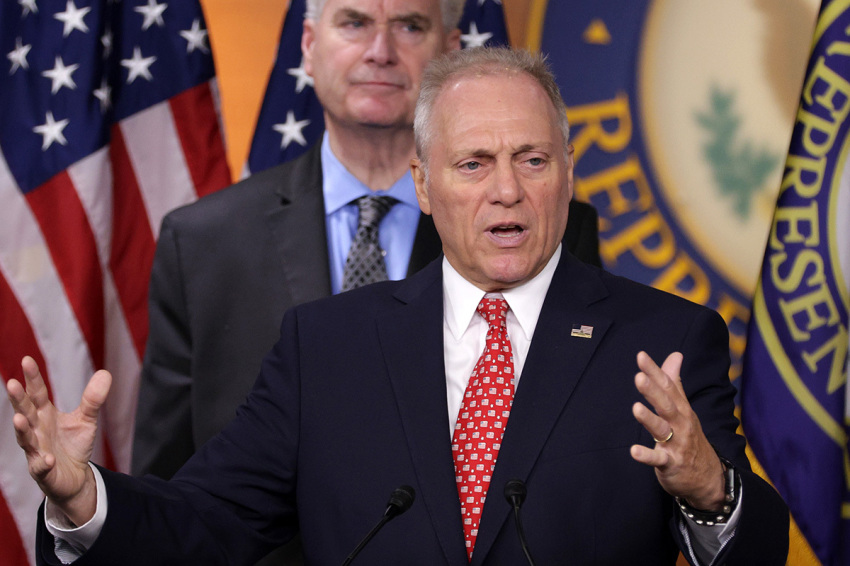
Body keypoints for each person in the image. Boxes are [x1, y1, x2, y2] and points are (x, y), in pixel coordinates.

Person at [7, 47, 787, 565]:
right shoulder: (328, 347)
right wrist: (84, 498)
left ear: (568, 173)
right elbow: (208, 521)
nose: (506, 190)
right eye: (473, 163)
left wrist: (713, 492)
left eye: (532, 160)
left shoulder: (664, 340)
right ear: (423, 183)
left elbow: (754, 554)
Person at [132, 0, 601, 487]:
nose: (380, 51)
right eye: (354, 23)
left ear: (449, 50)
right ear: (310, 47)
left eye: (409, 25)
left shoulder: (544, 228)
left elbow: (574, 444)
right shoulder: (203, 241)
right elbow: (168, 484)